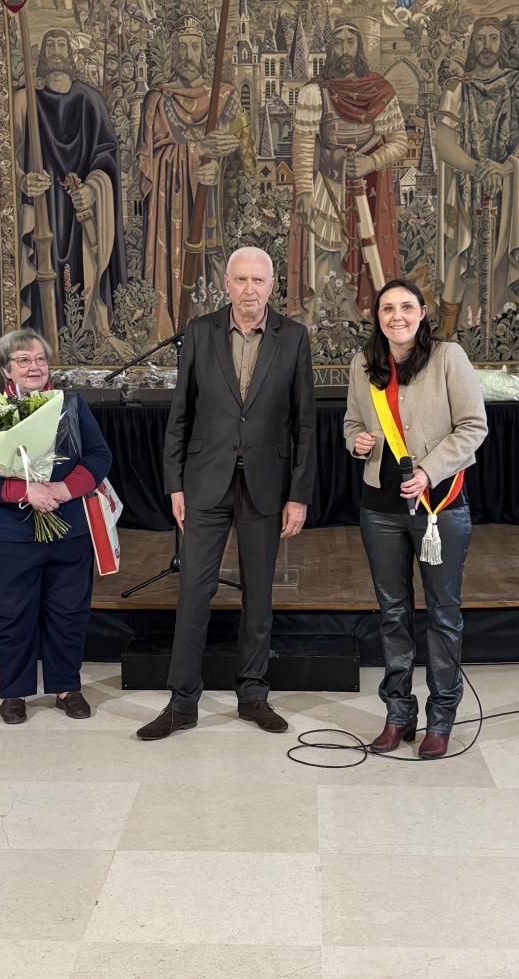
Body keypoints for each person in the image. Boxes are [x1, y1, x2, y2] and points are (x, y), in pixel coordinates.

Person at [136, 247, 316, 740]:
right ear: (227, 283)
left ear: (272, 284)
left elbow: (304, 424)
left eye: (258, 280)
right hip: (204, 483)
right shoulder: (199, 332)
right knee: (194, 591)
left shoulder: (294, 337)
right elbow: (181, 416)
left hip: (266, 485)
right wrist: (174, 484)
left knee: (258, 595)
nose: (250, 289)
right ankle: (182, 702)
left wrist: (298, 495)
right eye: (241, 280)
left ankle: (253, 694)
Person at [344, 280, 487, 758]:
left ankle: (441, 716)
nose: (397, 316)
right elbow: (350, 423)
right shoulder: (364, 365)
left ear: (423, 312)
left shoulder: (449, 358)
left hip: (438, 507)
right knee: (392, 613)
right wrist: (357, 441)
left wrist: (428, 471)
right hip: (380, 509)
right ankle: (399, 714)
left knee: (443, 615)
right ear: (377, 315)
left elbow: (474, 426)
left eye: (407, 307)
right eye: (388, 308)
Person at [0, 329, 112, 725]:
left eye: (41, 359)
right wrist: (26, 491)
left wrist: (64, 488)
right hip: (7, 533)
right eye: (23, 360)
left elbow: (99, 456)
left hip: (69, 528)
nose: (34, 366)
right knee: (13, 615)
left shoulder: (73, 406)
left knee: (69, 612)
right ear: (5, 369)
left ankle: (67, 687)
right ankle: (14, 693)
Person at [136, 15, 255, 340]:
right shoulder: (158, 100)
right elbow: (149, 163)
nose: (189, 54)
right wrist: (195, 152)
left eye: (195, 47)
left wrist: (225, 156)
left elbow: (247, 158)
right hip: (171, 214)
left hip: (215, 207)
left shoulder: (227, 96)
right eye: (182, 47)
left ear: (205, 53)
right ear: (172, 54)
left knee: (216, 266)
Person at [14, 29, 127, 353]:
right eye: (49, 44)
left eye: (62, 44)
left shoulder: (89, 101)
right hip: (43, 208)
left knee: (82, 271)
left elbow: (106, 153)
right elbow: (6, 156)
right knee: (42, 279)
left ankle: (87, 337)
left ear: (71, 54)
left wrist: (93, 189)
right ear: (41, 54)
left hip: (79, 211)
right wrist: (23, 180)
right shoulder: (25, 101)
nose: (56, 50)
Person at [288, 20, 408, 325]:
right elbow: (303, 144)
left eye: (350, 43)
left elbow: (399, 143)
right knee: (324, 258)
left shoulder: (380, 91)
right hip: (327, 188)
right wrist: (303, 191)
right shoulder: (316, 92)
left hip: (367, 191)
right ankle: (321, 326)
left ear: (360, 48)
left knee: (370, 261)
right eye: (338, 43)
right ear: (330, 50)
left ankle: (365, 328)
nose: (344, 50)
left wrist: (370, 162)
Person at [435, 17, 519, 336]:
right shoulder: (458, 88)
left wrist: (506, 167)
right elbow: (444, 142)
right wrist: (477, 168)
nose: (487, 46)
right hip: (465, 185)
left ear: (503, 44)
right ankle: (450, 328)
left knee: (508, 253)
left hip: (509, 190)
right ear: (472, 45)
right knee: (457, 252)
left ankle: (506, 329)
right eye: (480, 39)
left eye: (493, 38)